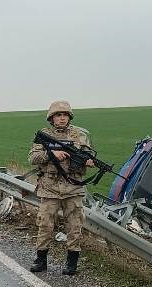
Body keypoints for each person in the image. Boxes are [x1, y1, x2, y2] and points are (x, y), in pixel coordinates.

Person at [27, 100, 93, 276]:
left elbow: (90, 155)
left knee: (75, 225)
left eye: (65, 115)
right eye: (58, 115)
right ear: (52, 118)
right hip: (50, 186)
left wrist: (89, 161)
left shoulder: (80, 135)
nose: (62, 118)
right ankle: (41, 260)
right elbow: (32, 158)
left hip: (73, 186)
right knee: (45, 224)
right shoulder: (44, 135)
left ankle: (72, 262)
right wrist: (51, 154)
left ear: (69, 117)